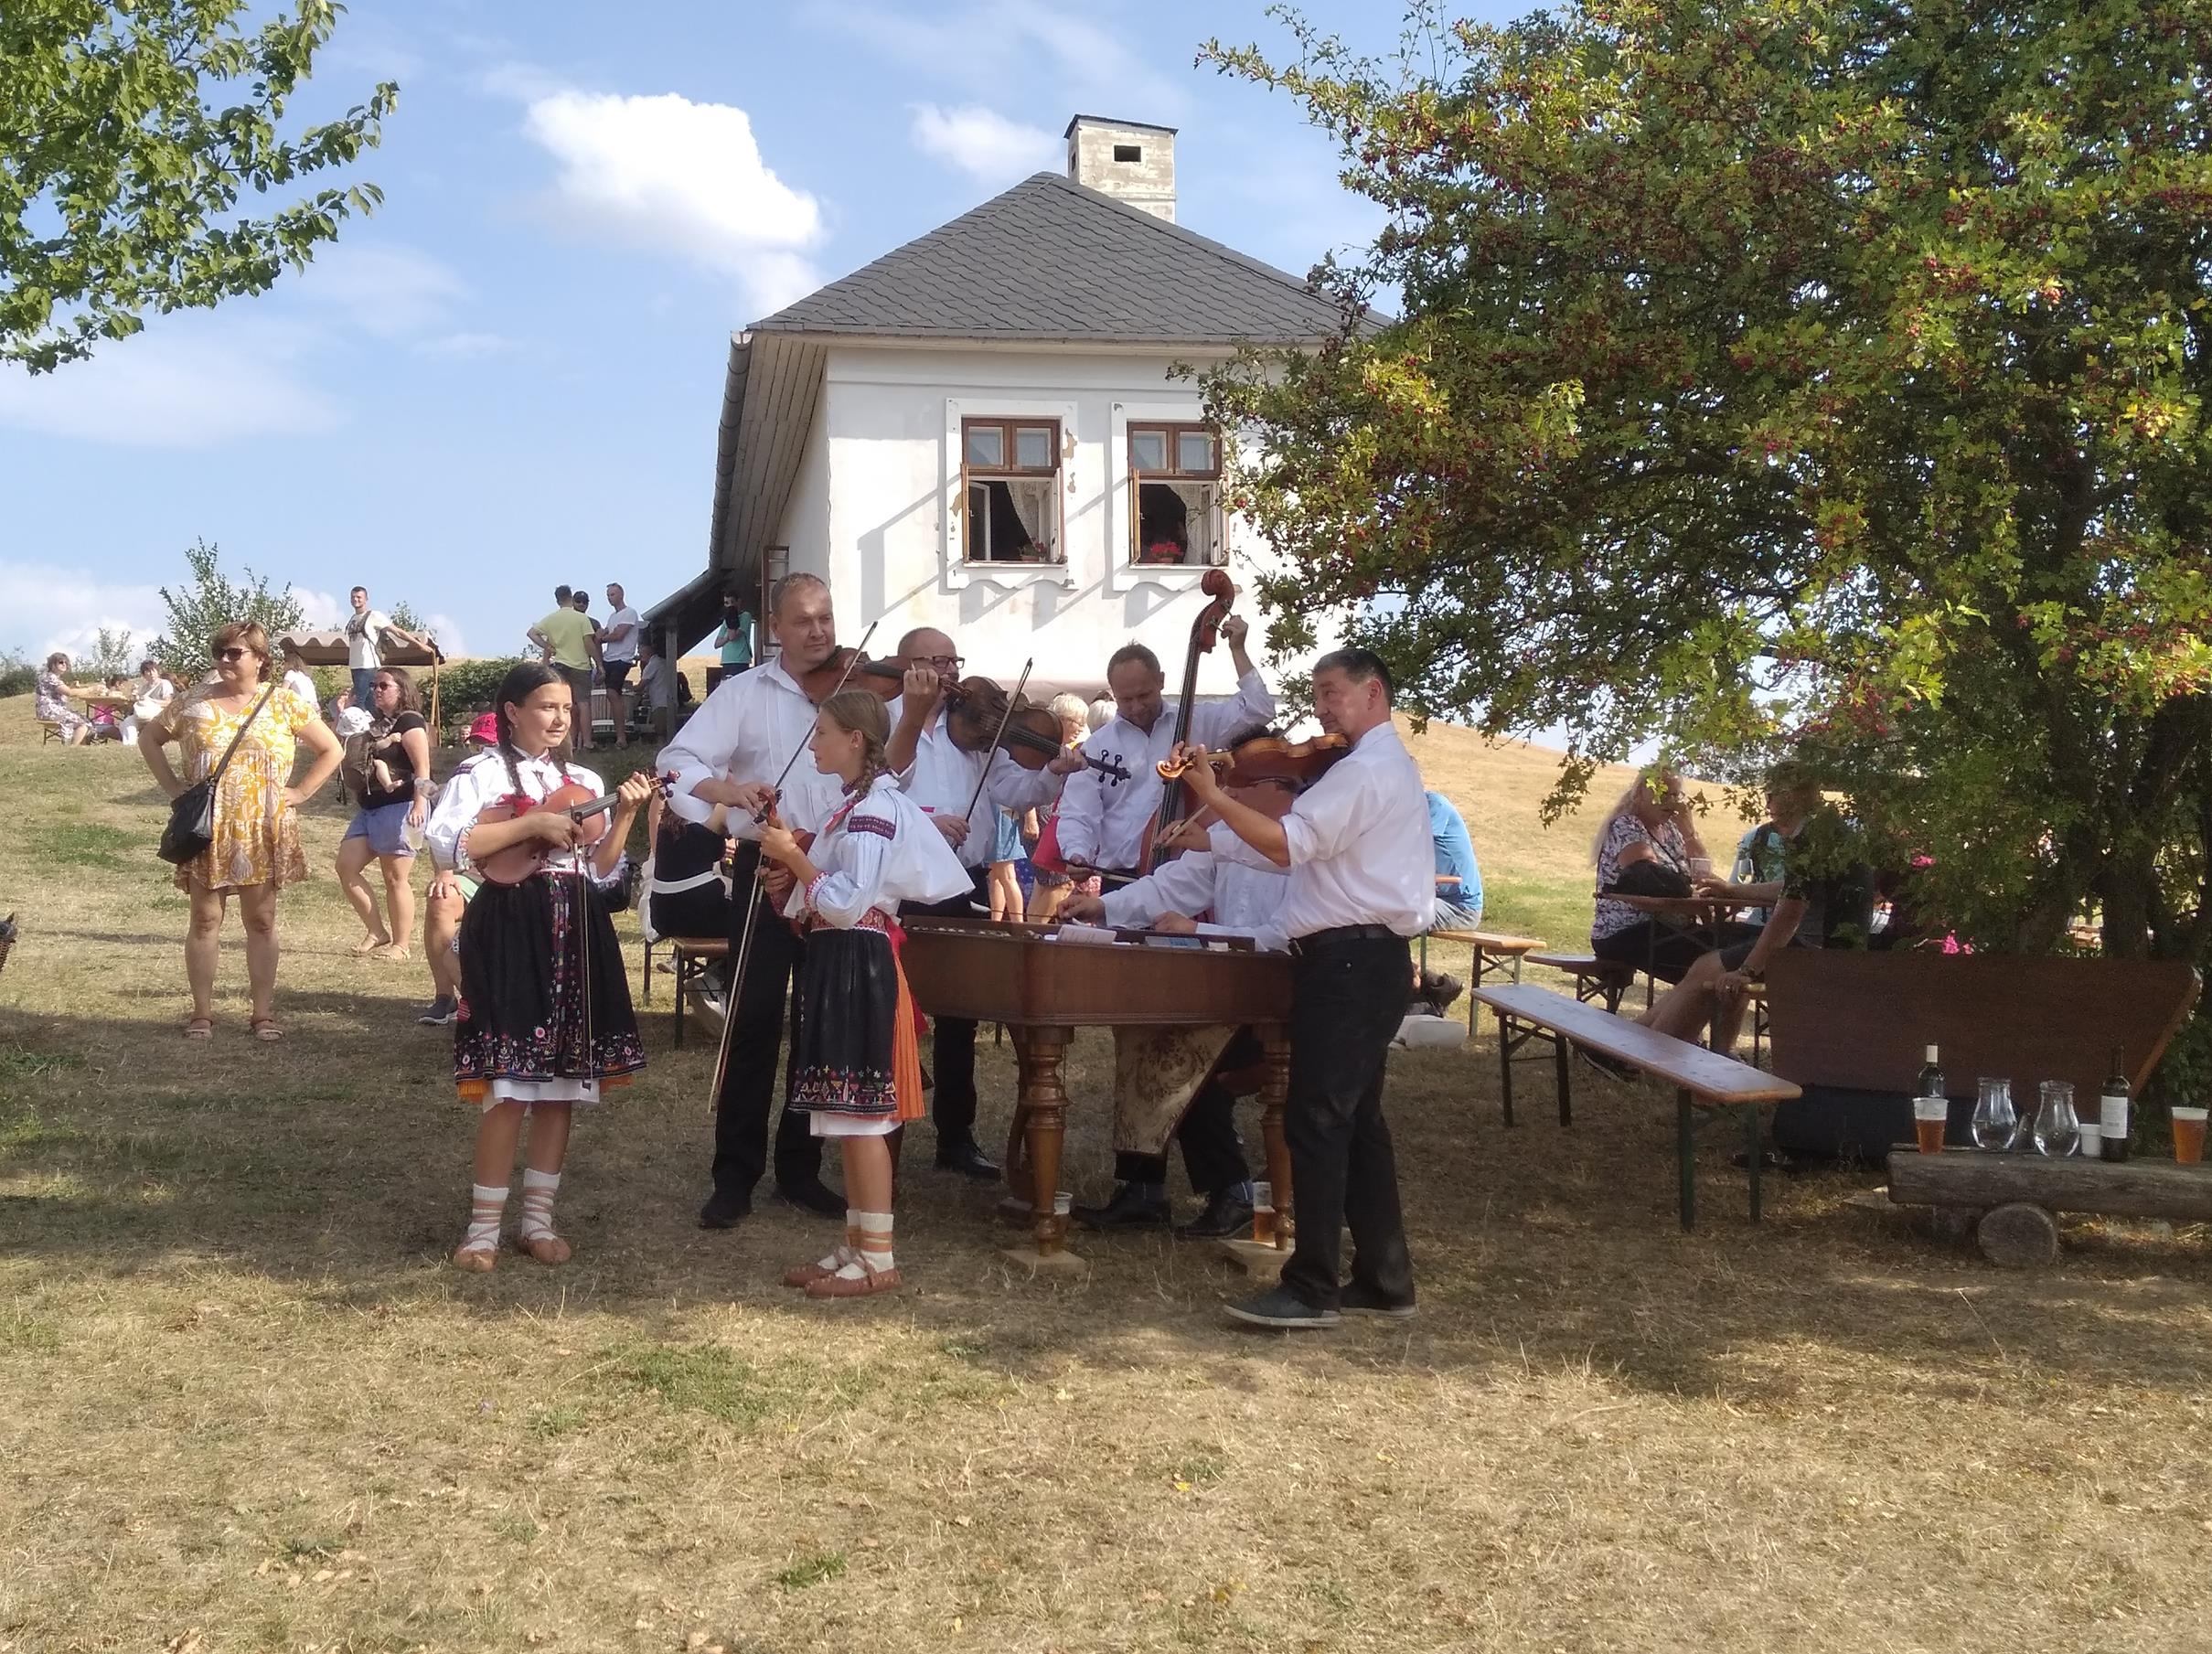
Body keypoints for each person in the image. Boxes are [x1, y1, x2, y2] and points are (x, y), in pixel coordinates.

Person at [1166, 648, 1432, 1329]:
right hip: (1357, 959)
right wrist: (1211, 841)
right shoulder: (1366, 769)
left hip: (1349, 962)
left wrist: (1214, 795)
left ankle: (1311, 1285)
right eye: (1315, 693)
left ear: (1374, 692)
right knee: (1357, 1121)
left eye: (1331, 692)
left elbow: (1291, 845)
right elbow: (1297, 847)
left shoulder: (1368, 770)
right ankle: (1383, 1276)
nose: (1319, 707)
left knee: (1315, 1119)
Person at [422, 662, 654, 1272]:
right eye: (546, 706)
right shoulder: (480, 772)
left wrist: (625, 813)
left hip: (575, 924)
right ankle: (482, 1230)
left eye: (565, 708)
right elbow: (449, 845)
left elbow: (602, 869)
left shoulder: (582, 776)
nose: (558, 718)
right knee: (507, 1084)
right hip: (510, 924)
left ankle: (537, 1221)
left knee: (559, 1088)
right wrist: (531, 824)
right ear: (513, 710)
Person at [757, 691, 974, 1297]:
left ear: (855, 738)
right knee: (844, 1114)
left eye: (822, 731)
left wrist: (795, 859)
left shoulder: (875, 809)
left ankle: (878, 1257)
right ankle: (858, 1243)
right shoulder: (850, 808)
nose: (813, 742)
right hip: (838, 959)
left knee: (863, 1117)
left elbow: (851, 900)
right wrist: (787, 871)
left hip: (858, 961)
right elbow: (821, 898)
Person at [659, 571, 851, 1225]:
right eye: (804, 620)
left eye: (825, 617)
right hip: (765, 872)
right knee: (753, 1022)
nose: (819, 631)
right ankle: (734, 1176)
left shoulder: (854, 695)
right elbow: (675, 761)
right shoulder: (744, 692)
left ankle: (801, 1169)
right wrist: (725, 791)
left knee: (818, 1029)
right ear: (775, 627)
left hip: (835, 877)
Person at [1059, 742, 1299, 1237]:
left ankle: (1231, 1191)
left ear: (1275, 788)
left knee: (1188, 1062)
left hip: (1288, 998)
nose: (1223, 796)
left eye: (1236, 785)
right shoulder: (1232, 837)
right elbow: (1172, 885)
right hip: (1237, 990)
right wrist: (1103, 908)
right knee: (1144, 1035)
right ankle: (1143, 1189)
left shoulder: (1305, 839)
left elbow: (1286, 936)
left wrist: (1200, 934)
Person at [881, 627, 1087, 1177]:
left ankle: (956, 1137)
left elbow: (1014, 792)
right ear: (909, 665)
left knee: (960, 1013)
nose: (950, 674)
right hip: (900, 885)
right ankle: (878, 1128)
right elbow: (872, 793)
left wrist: (1049, 772)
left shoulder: (972, 730)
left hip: (962, 880)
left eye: (954, 661)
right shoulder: (885, 720)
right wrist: (927, 822)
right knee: (891, 1010)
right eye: (938, 662)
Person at [137, 622, 344, 1041]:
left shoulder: (284, 703)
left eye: (235, 653)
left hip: (261, 826)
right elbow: (149, 739)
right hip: (208, 826)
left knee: (262, 920)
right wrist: (175, 789)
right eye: (220, 652)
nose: (225, 660)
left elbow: (332, 748)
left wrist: (301, 791)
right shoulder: (191, 702)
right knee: (204, 919)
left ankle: (263, 1014)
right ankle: (201, 1015)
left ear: (260, 659)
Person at [1640, 768, 1875, 1050]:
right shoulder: (1827, 831)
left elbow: (1789, 914)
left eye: (1771, 795)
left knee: (1708, 969)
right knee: (1709, 967)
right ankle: (1647, 1042)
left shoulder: (1811, 839)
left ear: (1793, 797)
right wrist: (1733, 890)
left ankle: (1647, 1052)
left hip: (1821, 955)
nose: (1767, 805)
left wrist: (1748, 970)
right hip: (1838, 952)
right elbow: (1791, 888)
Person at [1052, 618, 1274, 878]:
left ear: (1161, 681)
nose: (1136, 707)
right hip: (1123, 876)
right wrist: (1077, 852)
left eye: (1144, 695)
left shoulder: (1196, 720)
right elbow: (1078, 812)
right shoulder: (1097, 745)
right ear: (1113, 693)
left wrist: (1238, 650)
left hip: (1189, 875)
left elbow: (1260, 708)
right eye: (1126, 699)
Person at [1588, 768, 1760, 985]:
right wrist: (1690, 901)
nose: (1671, 802)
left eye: (1675, 795)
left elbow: (1701, 872)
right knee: (1720, 961)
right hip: (1628, 932)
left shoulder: (1670, 829)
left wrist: (1689, 832)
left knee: (1751, 942)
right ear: (1639, 794)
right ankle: (1671, 1017)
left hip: (1671, 928)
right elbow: (1647, 881)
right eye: (1663, 794)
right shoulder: (1627, 826)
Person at [335, 667, 432, 962]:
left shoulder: (410, 722)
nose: (376, 690)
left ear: (401, 689)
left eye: (384, 685)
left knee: (395, 878)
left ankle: (401, 945)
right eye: (374, 685)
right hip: (370, 808)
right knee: (346, 867)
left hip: (401, 806)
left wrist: (419, 805)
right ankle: (377, 931)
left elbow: (423, 769)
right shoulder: (378, 724)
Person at [416, 713, 499, 1028]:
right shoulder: (462, 781)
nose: (481, 751)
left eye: (489, 745)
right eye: (478, 744)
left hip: (517, 872)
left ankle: (482, 1002)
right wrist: (445, 871)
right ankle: (447, 996)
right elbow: (440, 837)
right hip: (472, 875)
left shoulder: (516, 777)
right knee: (440, 898)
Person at [1027, 692, 1097, 923]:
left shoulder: (1069, 749)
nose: (1080, 727)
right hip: (1050, 819)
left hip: (1053, 817)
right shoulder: (1053, 751)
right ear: (1061, 720)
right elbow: (1028, 783)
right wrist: (1030, 817)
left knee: (1048, 884)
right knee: (1056, 884)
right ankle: (1034, 933)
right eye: (1075, 721)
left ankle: (1031, 930)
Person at [527, 586, 601, 731]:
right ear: (571, 598)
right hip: (581, 666)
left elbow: (531, 633)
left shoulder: (551, 619)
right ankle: (587, 741)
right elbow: (588, 643)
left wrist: (547, 646)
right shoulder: (581, 618)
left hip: (560, 665)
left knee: (566, 705)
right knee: (584, 703)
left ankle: (569, 741)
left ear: (557, 600)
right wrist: (599, 664)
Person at [344, 587, 401, 709]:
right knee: (369, 701)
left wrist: (418, 644)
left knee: (360, 701)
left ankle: (366, 725)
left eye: (359, 597)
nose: (355, 599)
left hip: (368, 665)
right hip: (355, 665)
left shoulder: (373, 615)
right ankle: (376, 723)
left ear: (366, 599)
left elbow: (396, 631)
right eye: (353, 597)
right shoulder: (353, 619)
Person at [600, 583, 642, 748]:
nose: (610, 598)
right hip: (609, 658)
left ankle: (621, 737)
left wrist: (603, 638)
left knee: (612, 693)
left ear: (621, 594)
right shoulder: (612, 617)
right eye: (608, 595)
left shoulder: (629, 613)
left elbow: (618, 635)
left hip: (622, 658)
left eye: (613, 594)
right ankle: (617, 734)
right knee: (609, 694)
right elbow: (607, 632)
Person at [35, 652, 101, 744]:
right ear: (53, 665)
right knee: (83, 724)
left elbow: (62, 692)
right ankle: (72, 750)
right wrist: (91, 689)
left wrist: (71, 687)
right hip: (50, 712)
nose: (64, 664)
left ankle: (81, 749)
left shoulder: (50, 677)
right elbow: (69, 693)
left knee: (85, 719)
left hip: (49, 711)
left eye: (66, 663)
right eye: (61, 662)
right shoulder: (51, 678)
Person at [123, 658, 174, 746]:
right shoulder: (144, 687)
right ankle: (129, 744)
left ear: (157, 672)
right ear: (144, 675)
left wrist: (151, 701)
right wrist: (135, 698)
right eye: (148, 671)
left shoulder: (164, 684)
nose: (152, 673)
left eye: (154, 671)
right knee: (128, 721)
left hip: (159, 713)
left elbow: (168, 703)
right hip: (143, 714)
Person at [636, 633, 676, 742]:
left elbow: (641, 686)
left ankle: (661, 752)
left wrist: (627, 689)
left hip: (660, 703)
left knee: (660, 732)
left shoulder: (653, 664)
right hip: (670, 701)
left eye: (641, 654)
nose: (640, 657)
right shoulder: (663, 662)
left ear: (646, 653)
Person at [716, 593, 754, 680]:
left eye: (732, 602)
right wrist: (726, 638)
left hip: (740, 660)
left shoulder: (745, 616)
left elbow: (733, 636)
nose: (730, 605)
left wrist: (732, 618)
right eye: (727, 603)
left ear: (738, 601)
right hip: (726, 660)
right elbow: (717, 644)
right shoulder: (726, 621)